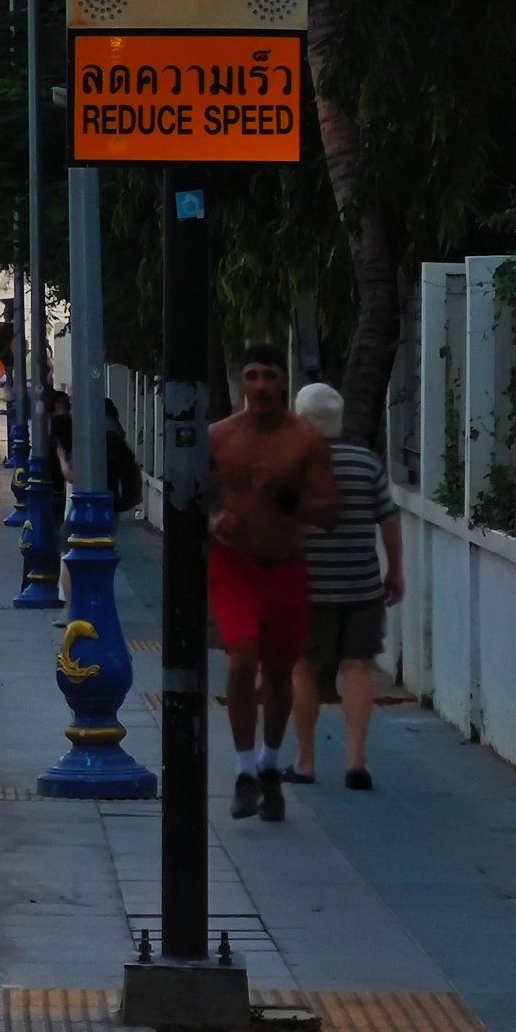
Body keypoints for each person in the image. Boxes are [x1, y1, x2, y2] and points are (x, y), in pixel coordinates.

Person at [208, 343, 338, 823]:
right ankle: (243, 772)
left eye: (269, 376)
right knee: (242, 661)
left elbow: (330, 512)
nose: (261, 385)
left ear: (284, 382)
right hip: (234, 566)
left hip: (285, 566)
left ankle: (269, 764)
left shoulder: (306, 440)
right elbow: (190, 491)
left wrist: (294, 505)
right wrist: (213, 518)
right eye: (252, 376)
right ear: (243, 382)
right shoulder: (220, 437)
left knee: (281, 676)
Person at [286, 383, 405, 791]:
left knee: (303, 668)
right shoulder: (365, 463)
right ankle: (356, 761)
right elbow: (388, 520)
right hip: (360, 584)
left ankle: (305, 762)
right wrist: (396, 571)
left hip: (306, 588)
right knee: (358, 667)